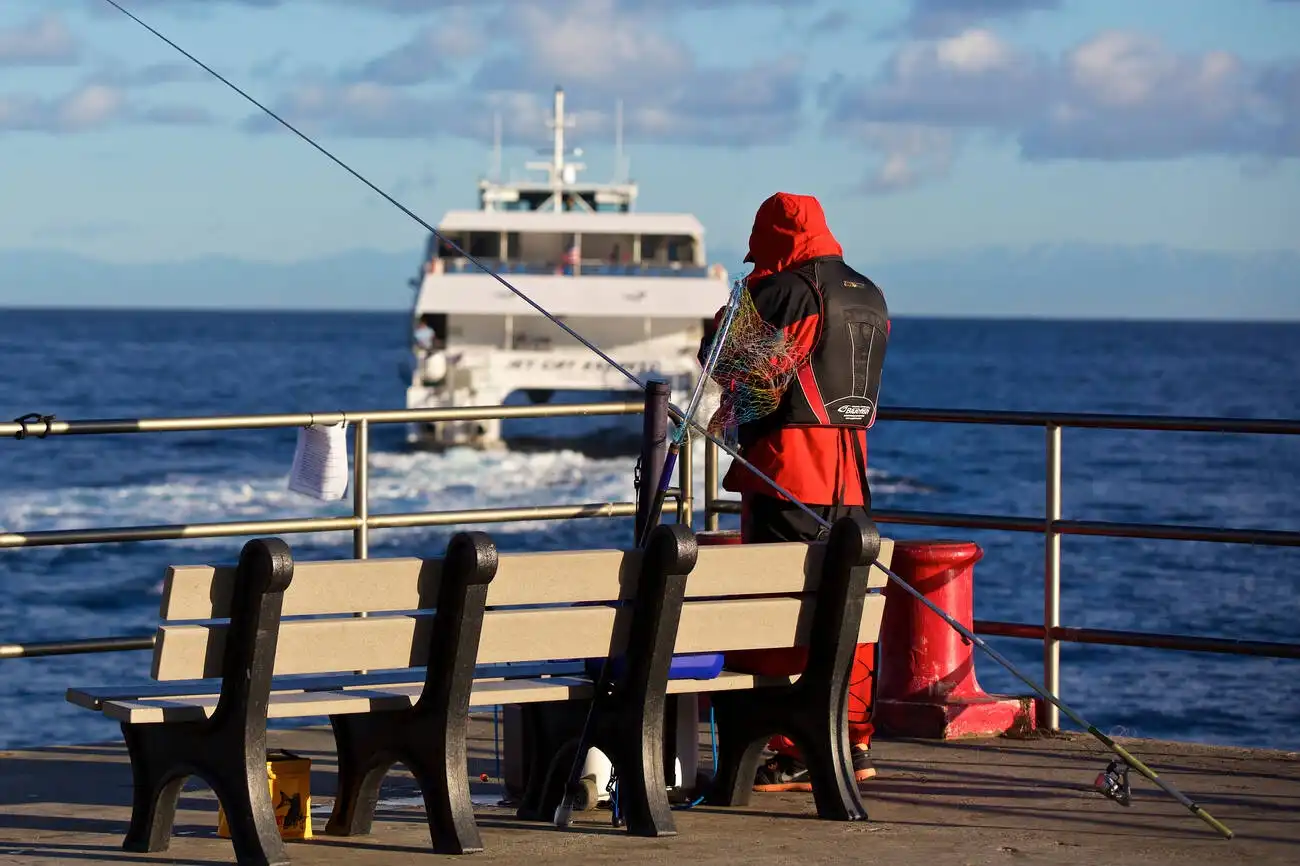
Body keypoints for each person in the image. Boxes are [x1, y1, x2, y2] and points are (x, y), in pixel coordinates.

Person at [702, 191, 890, 793]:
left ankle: (789, 749)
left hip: (786, 476)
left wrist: (727, 319)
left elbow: (729, 367)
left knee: (784, 611)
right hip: (851, 477)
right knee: (845, 604)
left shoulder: (780, 291)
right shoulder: (868, 292)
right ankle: (853, 739)